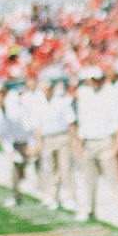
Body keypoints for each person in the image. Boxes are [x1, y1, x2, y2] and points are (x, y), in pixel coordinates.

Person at [73, 67, 118, 222]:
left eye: (96, 79)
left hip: (106, 140)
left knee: (114, 176)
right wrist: (78, 142)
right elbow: (82, 120)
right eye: (91, 80)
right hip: (89, 141)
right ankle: (88, 209)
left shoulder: (111, 93)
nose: (94, 83)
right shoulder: (84, 95)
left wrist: (117, 143)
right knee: (88, 179)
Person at [34, 79, 77, 210]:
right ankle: (52, 196)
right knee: (51, 169)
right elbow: (37, 126)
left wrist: (73, 140)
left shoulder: (61, 102)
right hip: (47, 139)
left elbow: (71, 123)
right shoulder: (39, 103)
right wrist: (38, 142)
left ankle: (69, 197)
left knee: (65, 168)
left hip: (62, 137)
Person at [0, 83, 34, 207]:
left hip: (25, 142)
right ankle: (16, 197)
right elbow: (0, 136)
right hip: (13, 146)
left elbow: (29, 127)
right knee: (14, 174)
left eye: (2, 95)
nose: (0, 98)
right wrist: (9, 150)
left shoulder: (18, 110)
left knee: (35, 171)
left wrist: (32, 144)